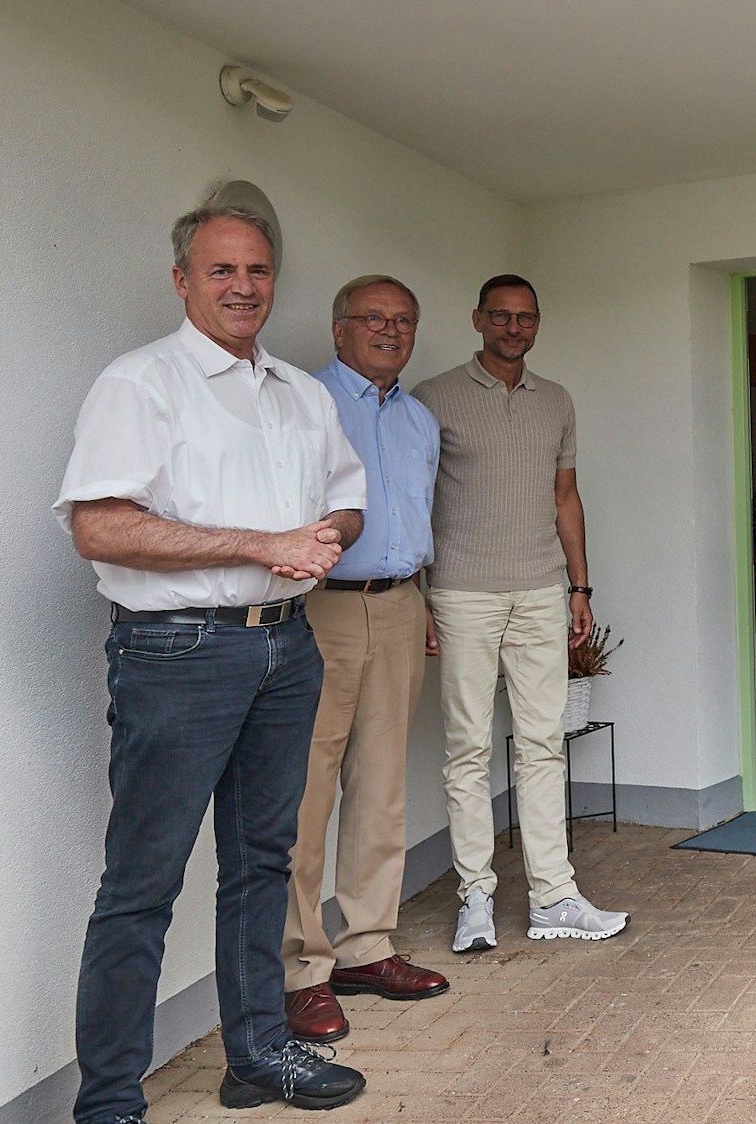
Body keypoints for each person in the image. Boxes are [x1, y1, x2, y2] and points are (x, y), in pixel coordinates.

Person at [56, 203, 369, 1119]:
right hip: (176, 651)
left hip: (286, 646)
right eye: (222, 270)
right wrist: (261, 542)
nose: (243, 287)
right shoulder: (141, 382)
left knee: (262, 860)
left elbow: (348, 500)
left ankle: (257, 1054)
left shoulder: (300, 392)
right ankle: (109, 1100)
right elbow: (99, 525)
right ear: (183, 279)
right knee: (143, 883)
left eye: (259, 271)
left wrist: (324, 535)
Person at [413, 274, 628, 952]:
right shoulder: (434, 399)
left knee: (542, 746)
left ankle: (554, 896)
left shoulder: (556, 401)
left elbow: (566, 497)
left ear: (537, 324)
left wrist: (580, 588)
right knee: (468, 748)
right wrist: (420, 594)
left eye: (525, 318)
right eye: (501, 317)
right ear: (478, 320)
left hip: (540, 590)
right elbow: (416, 504)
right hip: (461, 593)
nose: (513, 328)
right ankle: (474, 896)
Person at [281, 275, 450, 1045]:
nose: (389, 331)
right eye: (373, 318)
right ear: (339, 327)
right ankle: (301, 970)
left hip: (400, 601)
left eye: (403, 320)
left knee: (381, 784)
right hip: (320, 609)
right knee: (304, 792)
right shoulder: (300, 400)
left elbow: (421, 516)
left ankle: (367, 948)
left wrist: (424, 600)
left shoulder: (419, 420)